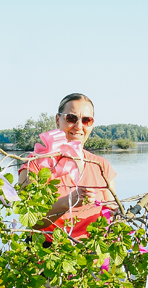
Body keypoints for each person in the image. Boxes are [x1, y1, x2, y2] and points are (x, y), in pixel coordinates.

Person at [23, 93, 118, 240]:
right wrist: (69, 201)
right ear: (57, 119)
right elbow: (32, 221)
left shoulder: (101, 165)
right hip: (46, 255)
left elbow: (112, 215)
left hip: (91, 257)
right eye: (71, 118)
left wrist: (114, 215)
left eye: (86, 120)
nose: (79, 126)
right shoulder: (35, 163)